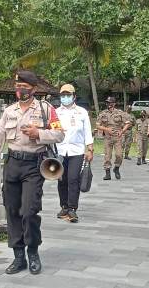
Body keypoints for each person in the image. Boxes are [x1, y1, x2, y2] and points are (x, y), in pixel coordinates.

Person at [0, 70, 64, 275]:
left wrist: (38, 133)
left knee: (29, 211)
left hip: (34, 166)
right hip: (13, 165)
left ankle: (33, 252)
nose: (20, 90)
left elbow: (59, 134)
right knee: (12, 211)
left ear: (33, 89)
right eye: (18, 87)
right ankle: (18, 256)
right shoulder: (9, 111)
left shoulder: (46, 109)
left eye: (24, 87)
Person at [55, 84, 94, 223]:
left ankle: (72, 208)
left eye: (68, 95)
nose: (65, 98)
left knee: (73, 179)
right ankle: (64, 206)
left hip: (76, 151)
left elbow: (87, 131)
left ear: (74, 96)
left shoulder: (81, 112)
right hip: (60, 150)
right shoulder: (56, 112)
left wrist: (90, 149)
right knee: (61, 179)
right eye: (63, 95)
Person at [95, 96, 131, 180]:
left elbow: (128, 123)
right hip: (107, 137)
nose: (109, 104)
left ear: (114, 104)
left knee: (119, 155)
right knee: (107, 156)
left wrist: (122, 131)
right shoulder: (103, 113)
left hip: (117, 137)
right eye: (107, 103)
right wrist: (106, 129)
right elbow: (97, 125)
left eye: (110, 103)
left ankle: (116, 168)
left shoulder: (120, 113)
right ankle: (107, 173)